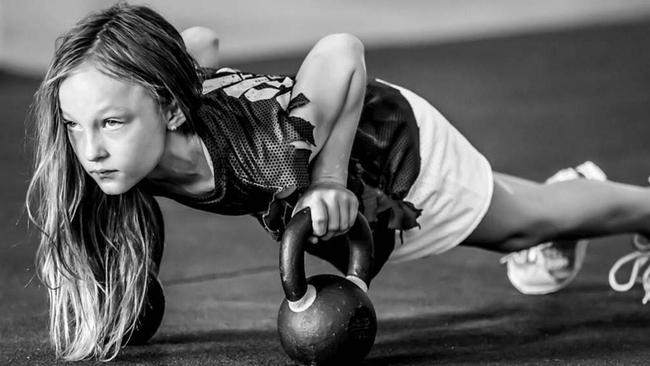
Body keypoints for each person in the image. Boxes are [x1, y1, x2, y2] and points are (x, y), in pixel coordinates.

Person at [26, 3, 650, 362]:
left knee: (524, 224)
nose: (91, 151)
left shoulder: (268, 143)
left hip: (390, 152)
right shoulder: (142, 129)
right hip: (321, 153)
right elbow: (199, 41)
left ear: (170, 109)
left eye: (110, 122)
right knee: (524, 210)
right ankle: (570, 190)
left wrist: (325, 179)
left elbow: (342, 50)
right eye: (75, 124)